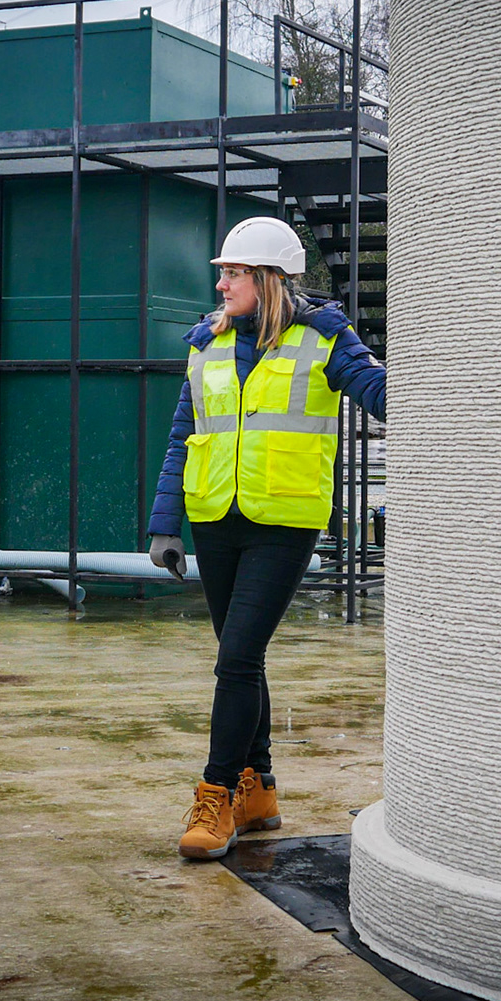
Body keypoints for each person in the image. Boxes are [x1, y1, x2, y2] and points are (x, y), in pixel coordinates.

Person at [147, 216, 386, 860]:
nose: (220, 283)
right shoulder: (207, 343)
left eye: (232, 273)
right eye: (222, 272)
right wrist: (164, 524)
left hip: (283, 522)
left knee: (236, 657)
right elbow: (182, 435)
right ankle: (260, 791)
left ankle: (217, 793)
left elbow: (382, 393)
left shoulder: (323, 338)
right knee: (241, 658)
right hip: (215, 515)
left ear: (268, 280)